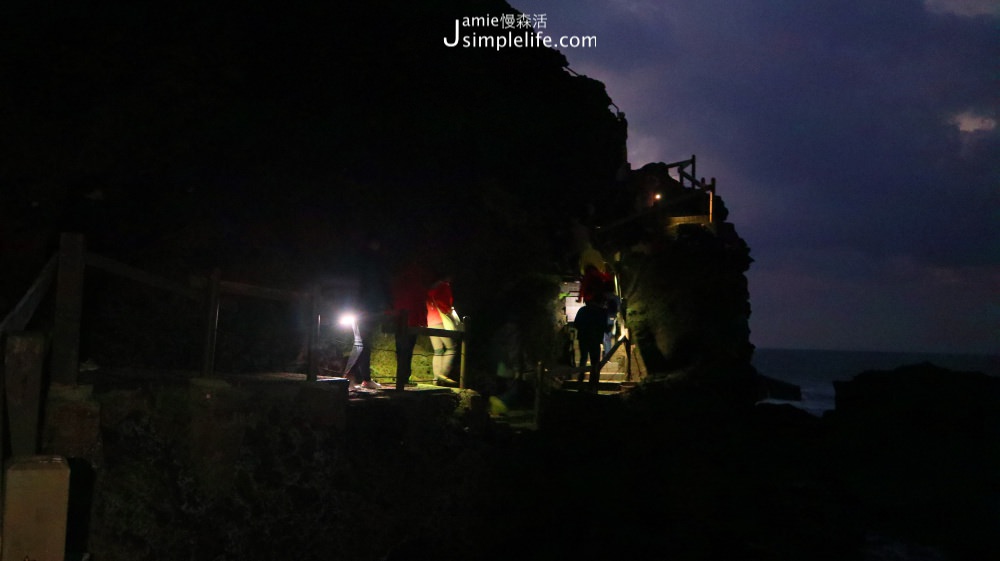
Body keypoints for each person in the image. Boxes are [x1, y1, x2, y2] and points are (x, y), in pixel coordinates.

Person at [344, 236, 389, 390]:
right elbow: (368, 286)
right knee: (362, 343)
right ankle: (352, 377)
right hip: (365, 308)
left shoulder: (364, 261)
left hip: (366, 307)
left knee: (363, 343)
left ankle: (362, 379)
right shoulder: (370, 263)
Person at [390, 258, 432, 389]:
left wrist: (392, 315)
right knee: (408, 350)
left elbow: (393, 298)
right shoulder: (418, 283)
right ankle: (404, 378)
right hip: (412, 321)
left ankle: (400, 378)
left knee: (400, 349)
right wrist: (423, 321)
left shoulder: (399, 281)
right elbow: (420, 303)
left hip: (399, 320)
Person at [426, 275, 461, 386]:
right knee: (451, 349)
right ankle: (442, 377)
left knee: (438, 351)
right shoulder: (444, 286)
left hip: (429, 320)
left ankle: (436, 379)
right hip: (440, 319)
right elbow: (444, 303)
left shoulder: (430, 286)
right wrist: (449, 312)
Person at [573, 297, 607, 392]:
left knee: (583, 359)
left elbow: (576, 324)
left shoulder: (583, 310)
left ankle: (580, 381)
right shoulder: (601, 312)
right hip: (595, 339)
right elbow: (604, 326)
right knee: (595, 362)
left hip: (583, 338)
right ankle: (593, 384)